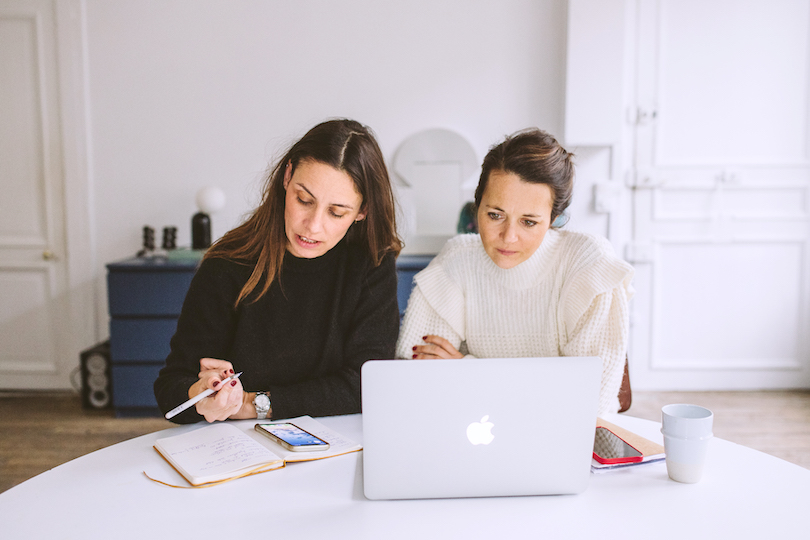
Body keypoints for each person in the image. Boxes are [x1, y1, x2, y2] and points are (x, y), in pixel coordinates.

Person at [155, 119, 402, 424]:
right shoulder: (228, 263)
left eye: (336, 212)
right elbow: (170, 389)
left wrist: (253, 404)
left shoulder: (372, 263)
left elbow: (367, 385)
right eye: (304, 199)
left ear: (362, 211)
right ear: (287, 176)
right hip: (238, 447)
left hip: (338, 442)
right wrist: (200, 393)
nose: (313, 226)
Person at [397, 128, 633, 415]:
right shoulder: (457, 260)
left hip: (570, 437)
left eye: (529, 222)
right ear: (477, 205)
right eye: (495, 215)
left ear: (554, 218)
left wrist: (466, 371)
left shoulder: (588, 265)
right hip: (472, 427)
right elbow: (419, 385)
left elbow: (585, 399)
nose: (508, 237)